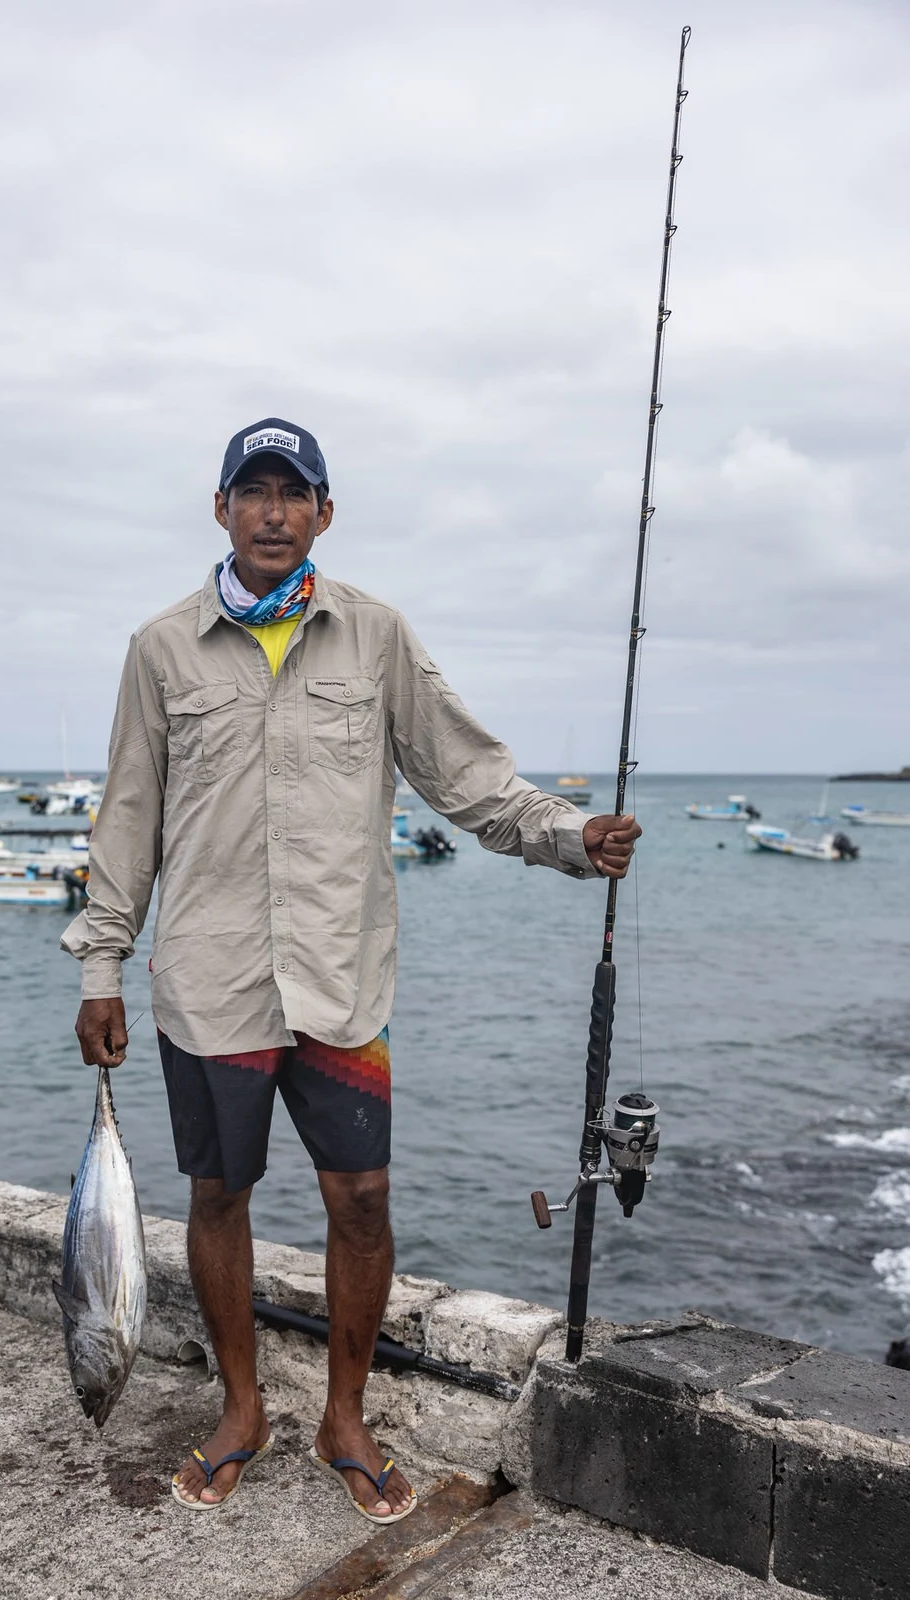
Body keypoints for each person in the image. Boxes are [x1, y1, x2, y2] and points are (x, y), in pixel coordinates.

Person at [63, 417, 641, 1522]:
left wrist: (569, 836)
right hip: (210, 982)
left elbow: (467, 776)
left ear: (325, 512)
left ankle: (343, 1414)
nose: (274, 511)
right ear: (221, 510)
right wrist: (100, 963)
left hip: (341, 983)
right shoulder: (160, 648)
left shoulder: (374, 635)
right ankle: (241, 1408)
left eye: (296, 492)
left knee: (362, 1198)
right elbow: (126, 817)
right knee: (218, 1194)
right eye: (254, 491)